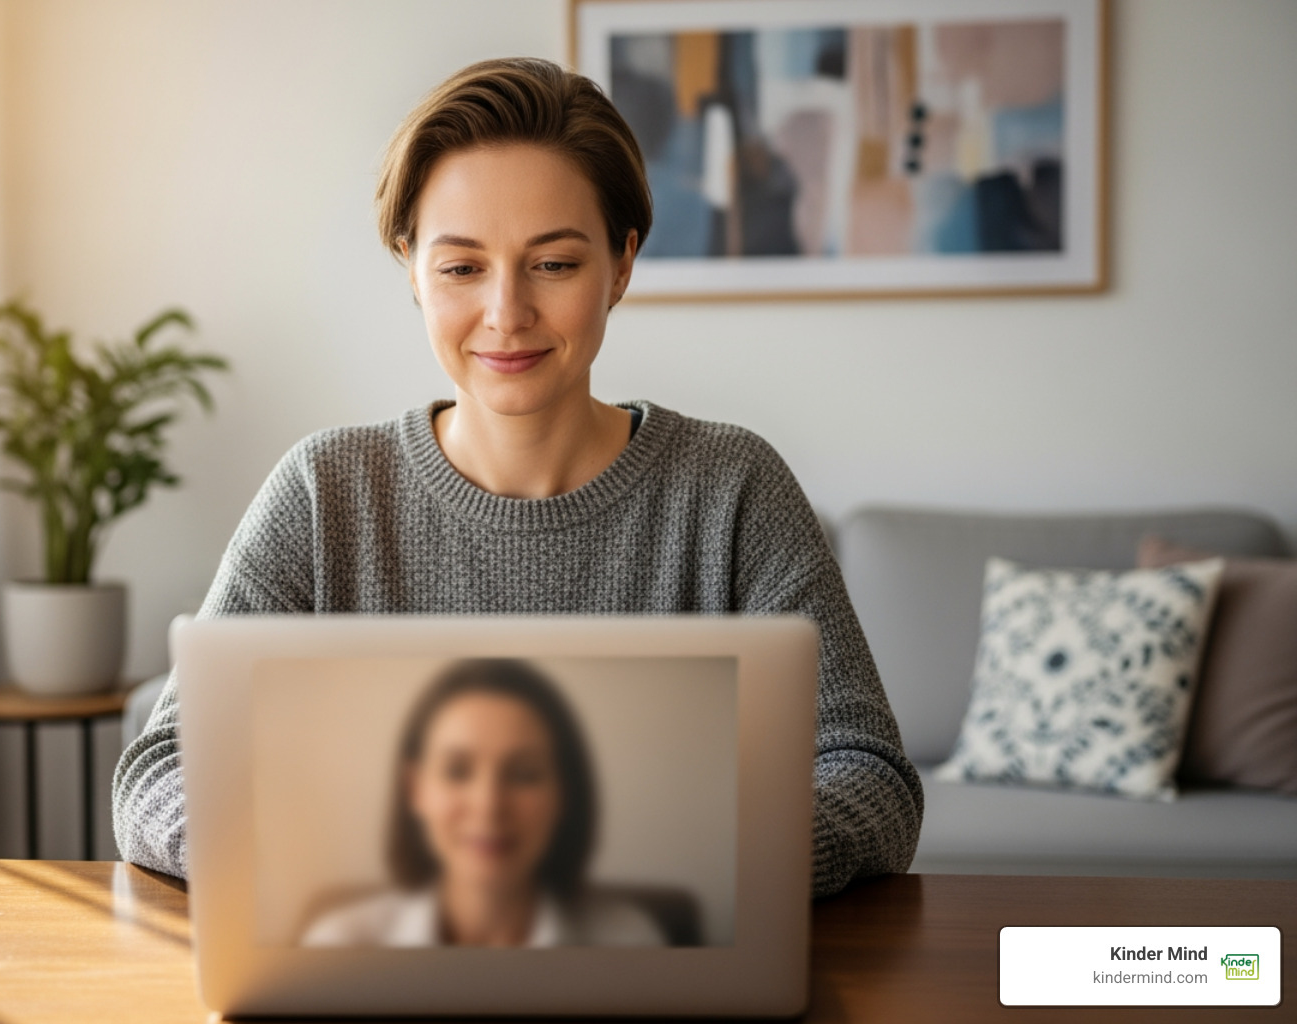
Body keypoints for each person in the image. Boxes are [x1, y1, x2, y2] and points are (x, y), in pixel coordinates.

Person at [112, 56, 923, 899]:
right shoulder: (325, 493)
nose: (507, 313)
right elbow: (161, 771)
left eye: (555, 264)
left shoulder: (731, 488)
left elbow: (870, 777)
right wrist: (322, 851)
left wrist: (707, 856)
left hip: (660, 955)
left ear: (622, 264)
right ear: (412, 271)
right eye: (462, 267)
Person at [300, 659, 665, 947]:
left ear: (564, 794)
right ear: (414, 789)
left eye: (524, 774)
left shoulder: (631, 941)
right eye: (457, 771)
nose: (489, 805)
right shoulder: (336, 946)